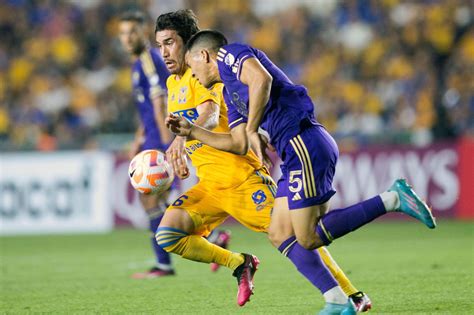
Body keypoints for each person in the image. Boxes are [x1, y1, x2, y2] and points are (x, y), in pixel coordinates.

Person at [166, 29, 437, 314]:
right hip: (293, 151)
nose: (192, 74)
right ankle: (335, 299)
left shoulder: (231, 54)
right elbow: (237, 143)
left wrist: (251, 127)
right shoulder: (231, 96)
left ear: (204, 55)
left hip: (302, 140)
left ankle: (392, 199)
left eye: (191, 65)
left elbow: (262, 79)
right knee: (280, 232)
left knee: (308, 237)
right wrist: (192, 132)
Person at [154, 10, 371, 311]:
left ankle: (351, 294)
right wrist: (180, 150)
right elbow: (196, 127)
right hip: (210, 186)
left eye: (169, 43)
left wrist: (183, 137)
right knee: (168, 234)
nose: (163, 52)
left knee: (295, 235)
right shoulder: (173, 84)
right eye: (159, 45)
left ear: (190, 44)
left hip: (242, 181)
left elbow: (211, 113)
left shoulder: (204, 74)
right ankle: (239, 263)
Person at [118, 11, 231, 279]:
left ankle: (164, 264)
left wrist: (168, 142)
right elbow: (149, 107)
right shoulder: (148, 67)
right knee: (157, 199)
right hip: (155, 136)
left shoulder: (149, 62)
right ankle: (212, 237)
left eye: (132, 32)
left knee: (149, 197)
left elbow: (160, 105)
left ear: (143, 32)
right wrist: (139, 138)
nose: (127, 38)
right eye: (123, 33)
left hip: (161, 138)